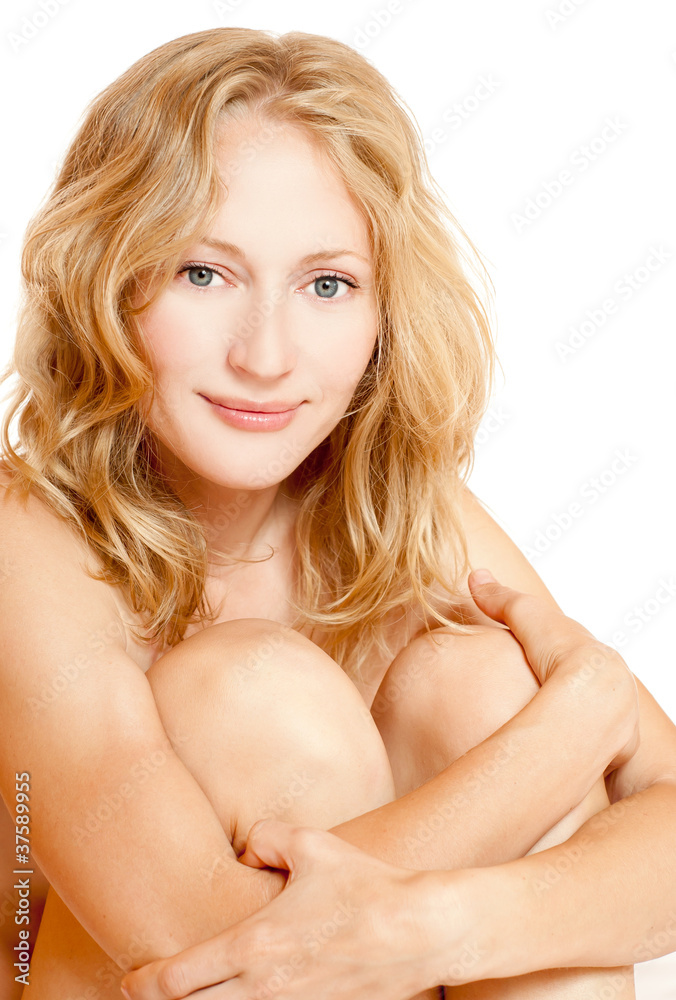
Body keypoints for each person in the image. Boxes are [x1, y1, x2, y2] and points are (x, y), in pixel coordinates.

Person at [0, 25, 674, 1000]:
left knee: (479, 681)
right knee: (256, 693)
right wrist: (564, 735)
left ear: (381, 315)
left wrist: (449, 925)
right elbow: (208, 955)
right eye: (203, 273)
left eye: (327, 284)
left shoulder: (397, 508)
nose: (266, 356)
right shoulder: (26, 538)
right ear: (108, 279)